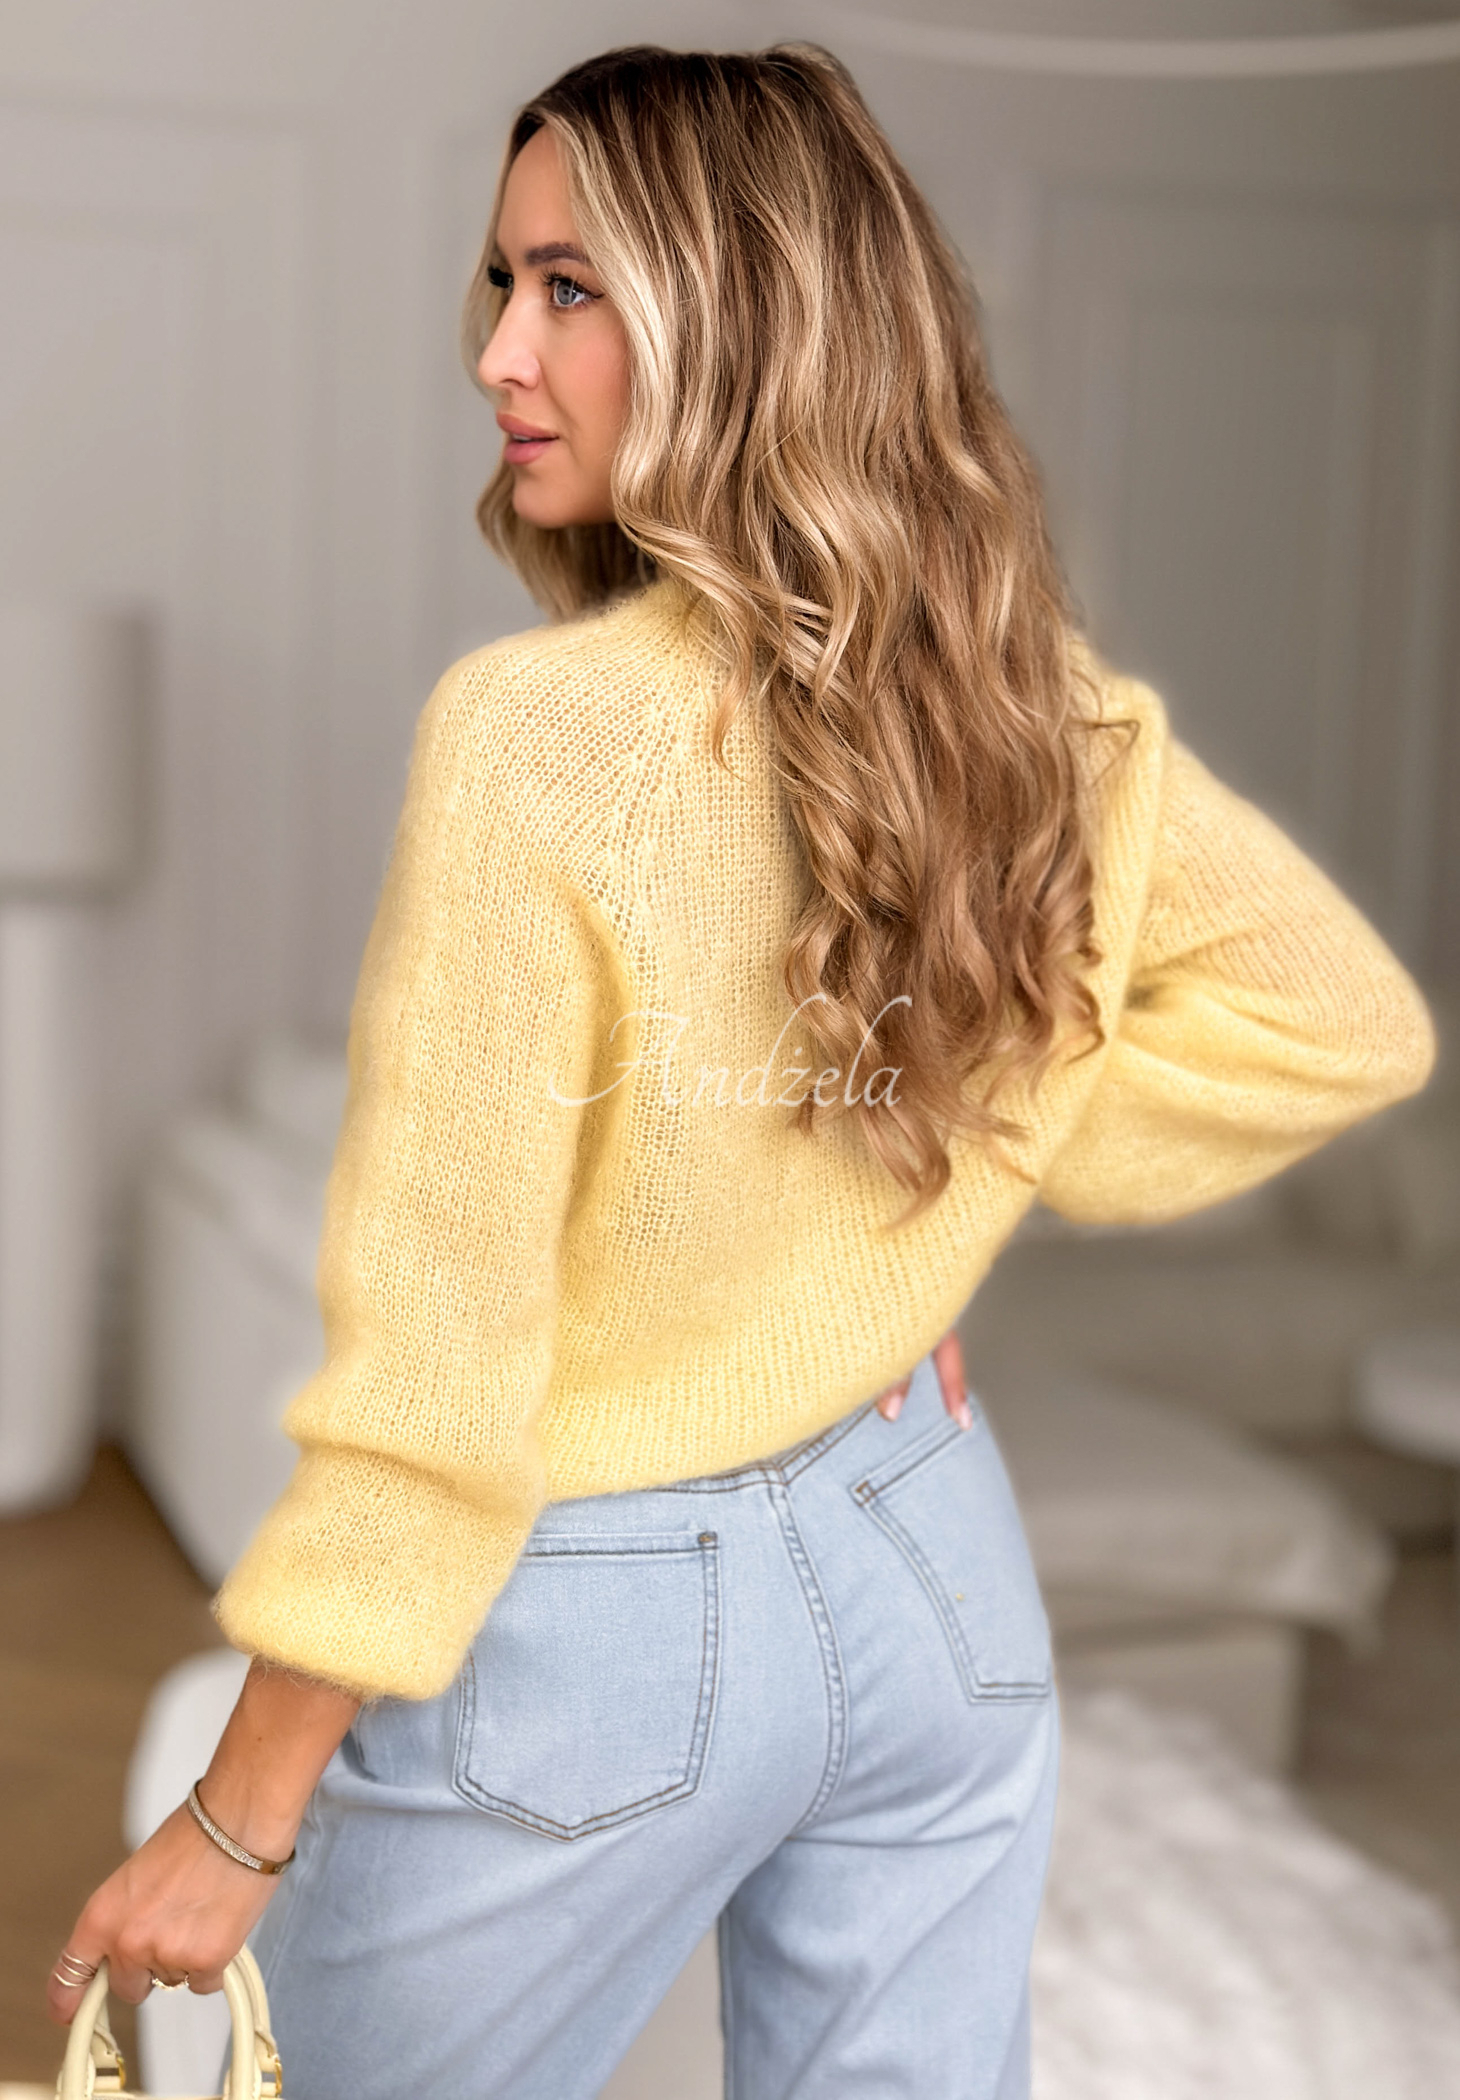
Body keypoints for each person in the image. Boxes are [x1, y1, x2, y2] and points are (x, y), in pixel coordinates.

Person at [49, 43, 1434, 2100]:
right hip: (933, 1548)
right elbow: (1349, 1018)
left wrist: (239, 1818)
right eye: (503, 283)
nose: (499, 350)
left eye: (571, 289)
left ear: (745, 317)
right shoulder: (1024, 703)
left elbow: (439, 1381)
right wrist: (954, 1159)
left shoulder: (533, 744)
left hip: (605, 1616)